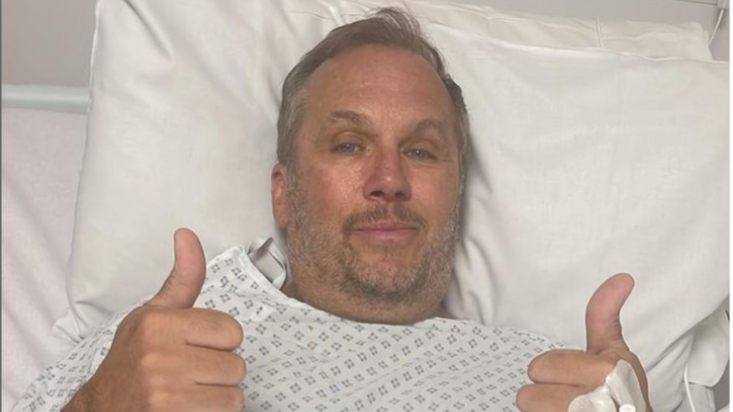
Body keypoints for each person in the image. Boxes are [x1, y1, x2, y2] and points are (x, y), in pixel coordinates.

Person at [13, 8, 651, 412]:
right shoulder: (153, 349)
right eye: (349, 145)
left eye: (421, 151)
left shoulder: (561, 384)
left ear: (456, 194)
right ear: (283, 193)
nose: (388, 180)